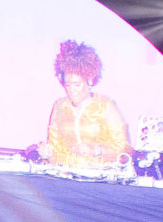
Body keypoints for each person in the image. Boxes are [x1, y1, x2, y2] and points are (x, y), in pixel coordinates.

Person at [38, 40, 128, 169]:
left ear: (90, 80)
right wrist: (47, 153)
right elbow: (55, 148)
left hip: (100, 178)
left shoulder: (106, 106)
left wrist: (97, 151)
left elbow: (124, 150)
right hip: (66, 177)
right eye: (67, 85)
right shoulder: (59, 107)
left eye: (77, 84)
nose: (71, 90)